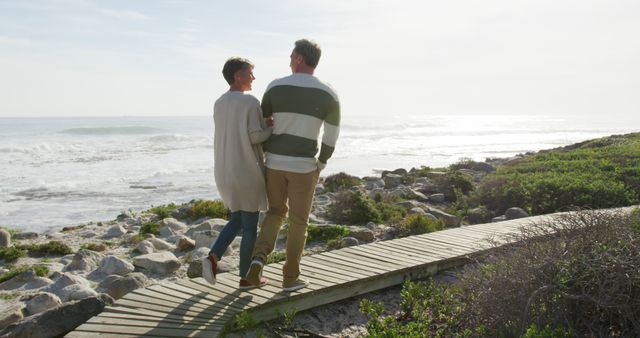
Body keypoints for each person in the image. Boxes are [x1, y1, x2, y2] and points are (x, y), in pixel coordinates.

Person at [245, 39, 341, 292]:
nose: (289, 60)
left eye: (291, 56)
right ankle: (290, 277)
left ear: (300, 58)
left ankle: (257, 264)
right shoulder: (329, 92)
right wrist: (321, 162)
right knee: (299, 222)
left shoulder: (275, 87)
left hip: (274, 164)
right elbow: (331, 135)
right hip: (304, 167)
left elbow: (264, 122)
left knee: (275, 213)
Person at [202, 57, 271, 289]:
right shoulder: (250, 102)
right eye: (250, 73)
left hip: (224, 170)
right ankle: (246, 278)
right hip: (245, 170)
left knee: (238, 217)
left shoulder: (218, 103)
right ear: (237, 75)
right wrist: (271, 127)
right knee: (251, 225)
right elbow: (254, 137)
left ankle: (213, 257)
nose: (253, 77)